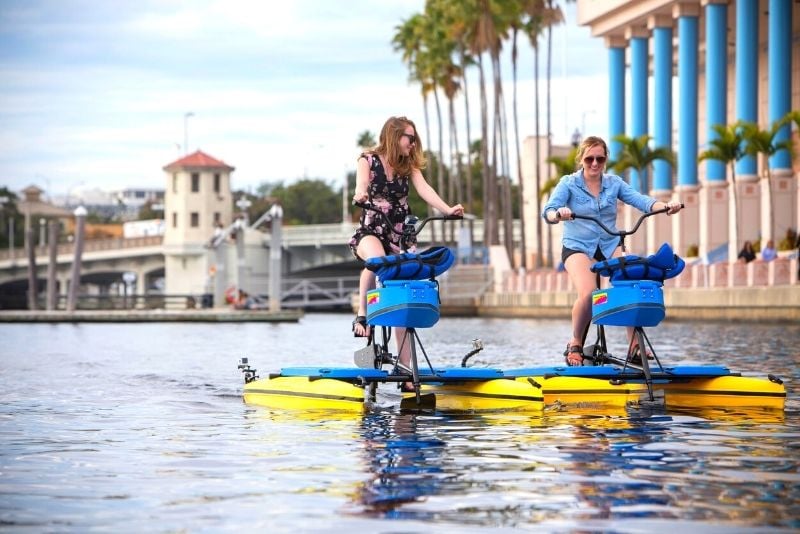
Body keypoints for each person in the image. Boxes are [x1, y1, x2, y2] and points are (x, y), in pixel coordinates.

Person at [542, 135, 683, 366]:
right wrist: (558, 214)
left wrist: (665, 207)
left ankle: (634, 347)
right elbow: (548, 210)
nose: (595, 164)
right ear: (582, 160)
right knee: (588, 293)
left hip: (609, 244)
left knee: (630, 283)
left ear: (606, 159)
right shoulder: (568, 183)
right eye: (589, 159)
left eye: (600, 158)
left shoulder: (614, 183)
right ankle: (575, 343)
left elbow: (641, 201)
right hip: (578, 246)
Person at [349, 116, 463, 387]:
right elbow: (361, 185)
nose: (413, 144)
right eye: (409, 138)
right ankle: (363, 316)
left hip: (400, 231)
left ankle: (405, 368)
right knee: (376, 261)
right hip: (373, 227)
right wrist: (360, 196)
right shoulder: (367, 160)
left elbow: (425, 189)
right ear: (393, 135)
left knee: (403, 292)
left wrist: (447, 209)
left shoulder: (407, 166)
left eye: (415, 140)